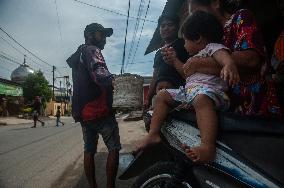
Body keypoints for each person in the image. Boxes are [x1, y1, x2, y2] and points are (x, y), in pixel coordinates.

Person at [136, 11, 240, 163]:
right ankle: (153, 133)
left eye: (185, 40)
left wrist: (228, 64)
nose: (183, 44)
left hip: (211, 94)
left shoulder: (212, 48)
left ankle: (207, 147)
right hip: (190, 92)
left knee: (201, 99)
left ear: (197, 38)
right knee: (162, 95)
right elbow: (185, 73)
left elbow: (223, 56)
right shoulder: (194, 56)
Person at [186, 0, 282, 117]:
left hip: (259, 108)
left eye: (196, 11)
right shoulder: (212, 37)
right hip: (232, 113)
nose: (195, 18)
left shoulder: (241, 17)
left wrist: (199, 64)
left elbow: (251, 60)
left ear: (216, 3)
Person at [66, 23, 121, 188]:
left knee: (89, 150)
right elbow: (100, 74)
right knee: (114, 148)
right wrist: (114, 80)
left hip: (84, 113)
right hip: (100, 110)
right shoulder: (92, 50)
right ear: (89, 35)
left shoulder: (79, 54)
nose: (104, 39)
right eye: (100, 35)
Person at [144, 14, 189, 111]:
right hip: (159, 97)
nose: (166, 28)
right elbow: (155, 76)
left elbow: (190, 70)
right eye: (163, 26)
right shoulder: (158, 53)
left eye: (170, 25)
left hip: (179, 96)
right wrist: (147, 98)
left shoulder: (184, 45)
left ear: (177, 27)